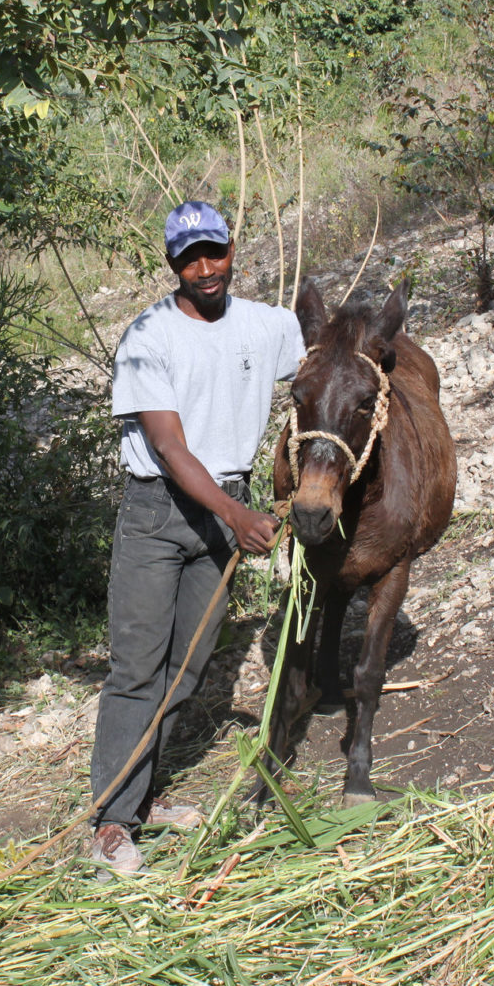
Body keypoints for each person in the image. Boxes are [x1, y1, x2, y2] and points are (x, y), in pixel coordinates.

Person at [88, 200, 305, 874]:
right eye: (189, 259)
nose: (205, 269)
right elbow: (168, 447)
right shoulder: (148, 337)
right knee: (137, 669)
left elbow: (318, 389)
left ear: (233, 247)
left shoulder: (271, 325)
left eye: (213, 252)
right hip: (160, 513)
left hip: (227, 507)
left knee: (187, 669)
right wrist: (236, 519)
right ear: (171, 264)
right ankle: (108, 826)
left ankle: (139, 797)